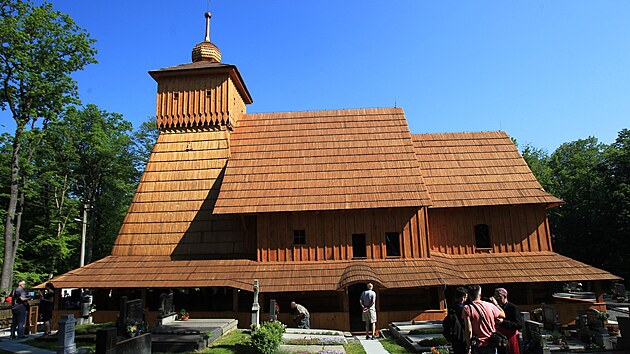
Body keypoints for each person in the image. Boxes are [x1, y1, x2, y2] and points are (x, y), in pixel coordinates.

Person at [462, 285, 505, 354]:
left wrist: (468, 346)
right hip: (491, 341)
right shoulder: (490, 305)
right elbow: (503, 314)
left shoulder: (467, 309)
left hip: (477, 343)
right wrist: (496, 304)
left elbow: (468, 329)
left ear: (469, 296)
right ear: (480, 295)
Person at [490, 288, 522, 354]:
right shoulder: (493, 307)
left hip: (510, 337)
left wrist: (503, 322)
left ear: (504, 296)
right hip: (499, 337)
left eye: (499, 296)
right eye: (495, 296)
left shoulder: (513, 308)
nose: (497, 299)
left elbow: (518, 324)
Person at [448, 287, 469, 354]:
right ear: (463, 297)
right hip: (463, 335)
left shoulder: (452, 307)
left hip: (455, 335)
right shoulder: (464, 308)